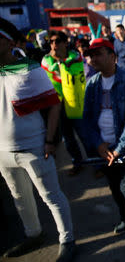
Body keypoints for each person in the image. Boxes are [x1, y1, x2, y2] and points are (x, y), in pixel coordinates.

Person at [0, 18, 76, 261]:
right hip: (2, 150)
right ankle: (33, 234)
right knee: (18, 197)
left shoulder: (30, 69)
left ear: (9, 41)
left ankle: (67, 239)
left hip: (33, 146)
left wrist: (51, 140)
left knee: (50, 195)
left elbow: (53, 106)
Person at [82, 38, 125, 234]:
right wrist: (99, 145)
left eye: (99, 53)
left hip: (123, 148)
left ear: (113, 57)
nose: (94, 58)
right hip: (104, 148)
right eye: (91, 55)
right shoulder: (92, 84)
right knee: (114, 187)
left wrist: (118, 148)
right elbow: (88, 119)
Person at [41, 30, 86, 176]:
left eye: (57, 41)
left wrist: (61, 62)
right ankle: (77, 162)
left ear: (65, 43)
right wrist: (56, 63)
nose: (54, 45)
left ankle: (97, 164)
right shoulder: (47, 61)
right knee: (68, 138)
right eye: (51, 42)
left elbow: (72, 72)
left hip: (76, 103)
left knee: (85, 134)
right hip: (58, 106)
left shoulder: (75, 57)